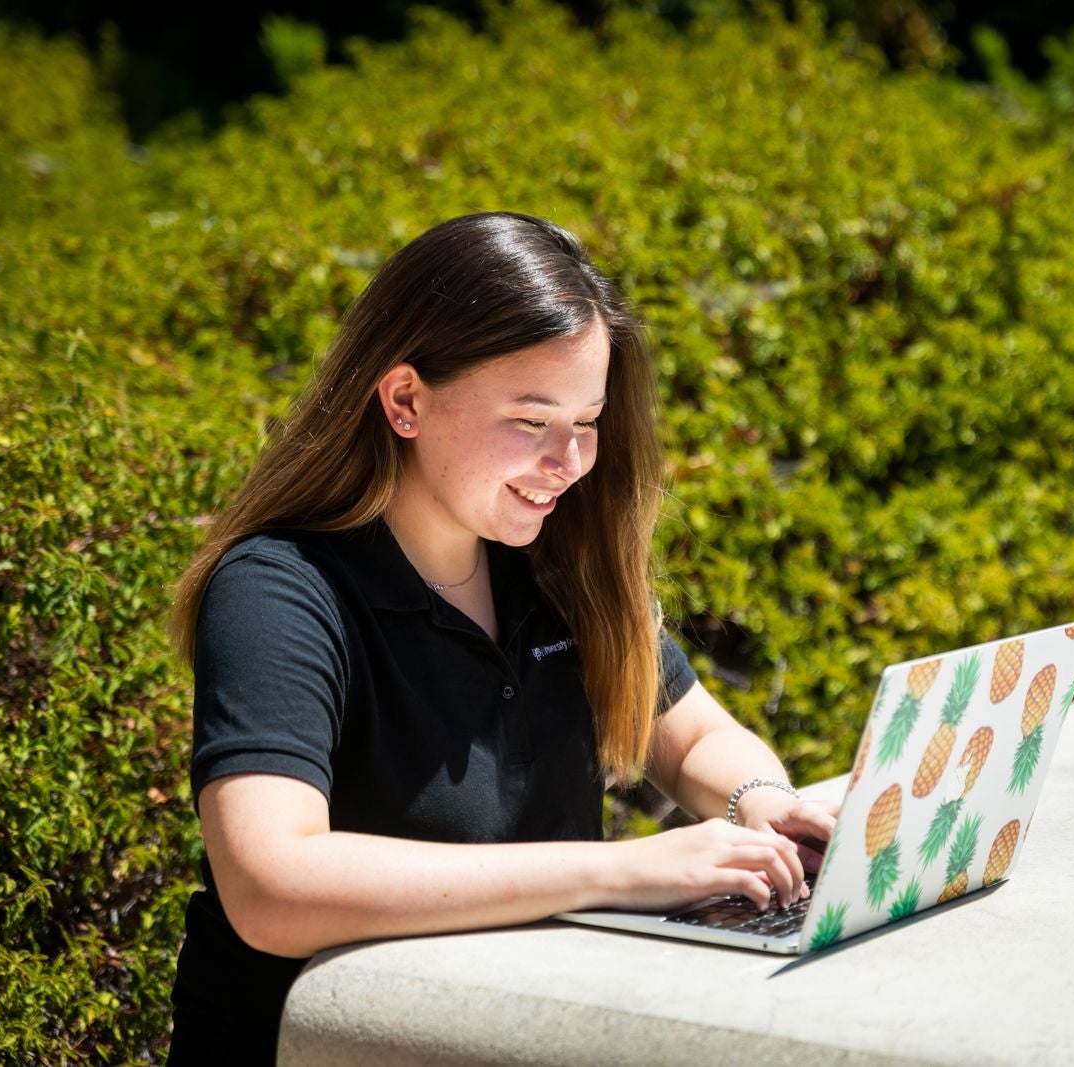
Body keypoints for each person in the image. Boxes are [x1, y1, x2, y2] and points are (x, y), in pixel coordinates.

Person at [164, 211, 837, 1062]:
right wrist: (626, 871)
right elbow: (271, 885)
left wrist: (766, 809)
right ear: (405, 400)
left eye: (586, 421)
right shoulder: (281, 589)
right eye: (530, 420)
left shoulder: (554, 563)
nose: (570, 462)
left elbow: (690, 730)